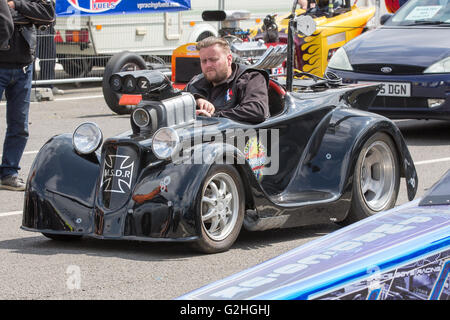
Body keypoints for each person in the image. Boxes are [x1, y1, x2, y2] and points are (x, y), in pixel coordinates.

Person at [0, 0, 54, 191]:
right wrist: (28, 17)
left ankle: (8, 173)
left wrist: (15, 5)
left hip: (23, 66)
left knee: (19, 126)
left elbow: (48, 14)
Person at [185, 36, 270, 124]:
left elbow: (256, 111)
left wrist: (213, 117)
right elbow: (175, 100)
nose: (208, 65)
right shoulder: (196, 83)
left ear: (229, 59)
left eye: (213, 60)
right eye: (204, 61)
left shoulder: (250, 78)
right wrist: (196, 100)